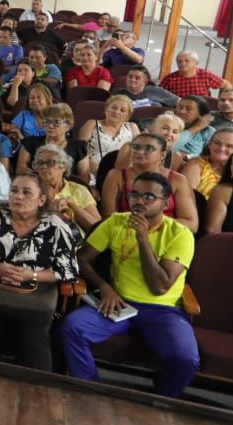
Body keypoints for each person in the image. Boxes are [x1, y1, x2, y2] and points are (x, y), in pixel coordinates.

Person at [62, 171, 199, 398]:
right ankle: (90, 389)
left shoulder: (180, 235)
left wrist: (142, 239)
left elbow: (159, 287)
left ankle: (159, 399)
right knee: (72, 327)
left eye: (148, 197)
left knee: (186, 359)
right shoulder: (116, 221)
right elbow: (81, 258)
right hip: (119, 304)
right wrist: (105, 287)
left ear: (165, 204)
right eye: (134, 194)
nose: (138, 201)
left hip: (163, 310)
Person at [0, 172, 83, 370]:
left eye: (26, 192)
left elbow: (67, 270)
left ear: (41, 200)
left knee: (36, 354)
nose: (18, 196)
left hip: (34, 299)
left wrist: (31, 275)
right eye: (14, 191)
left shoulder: (56, 226)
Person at [100, 131, 199, 232]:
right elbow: (107, 217)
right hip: (126, 233)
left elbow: (192, 224)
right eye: (136, 147)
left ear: (163, 154)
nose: (140, 152)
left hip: (168, 236)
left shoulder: (178, 180)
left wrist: (151, 225)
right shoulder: (116, 176)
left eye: (149, 149)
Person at [32, 143, 101, 232]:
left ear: (63, 166)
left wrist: (71, 204)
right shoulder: (31, 190)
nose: (44, 166)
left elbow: (99, 228)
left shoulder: (78, 190)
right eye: (40, 163)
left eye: (50, 162)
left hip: (77, 242)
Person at [76, 92, 138, 182]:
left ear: (128, 116)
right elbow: (79, 150)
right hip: (93, 172)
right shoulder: (92, 124)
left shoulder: (132, 127)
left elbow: (139, 152)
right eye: (113, 107)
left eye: (122, 110)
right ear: (106, 109)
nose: (117, 112)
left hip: (123, 175)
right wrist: (93, 167)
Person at [15, 100, 82, 173]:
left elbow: (84, 177)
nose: (50, 126)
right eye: (47, 121)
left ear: (68, 126)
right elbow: (20, 169)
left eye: (56, 122)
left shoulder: (78, 148)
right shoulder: (30, 143)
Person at [182, 126, 233, 199]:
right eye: (217, 143)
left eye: (229, 146)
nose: (222, 148)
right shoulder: (196, 164)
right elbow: (185, 197)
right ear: (210, 144)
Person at [158, 50, 225, 100]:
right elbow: (157, 94)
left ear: (196, 62)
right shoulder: (169, 78)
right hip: (178, 111)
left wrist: (222, 101)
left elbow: (226, 85)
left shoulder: (205, 75)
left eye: (186, 61)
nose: (183, 64)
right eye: (179, 61)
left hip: (202, 112)